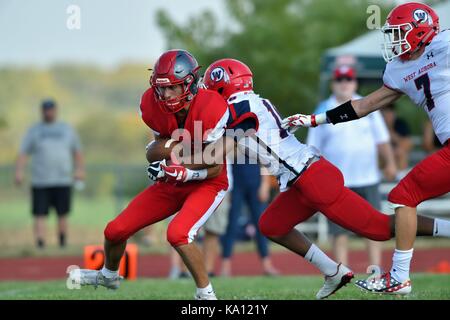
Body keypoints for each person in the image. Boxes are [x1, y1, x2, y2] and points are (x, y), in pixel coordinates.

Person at [173, 58, 450, 300]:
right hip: (301, 180)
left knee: (379, 228)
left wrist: (177, 162)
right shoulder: (249, 103)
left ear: (223, 85)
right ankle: (333, 271)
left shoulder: (240, 107)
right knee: (272, 224)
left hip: (313, 178)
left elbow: (219, 151)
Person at [281, 2, 450, 295]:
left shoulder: (445, 43)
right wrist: (315, 119)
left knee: (403, 196)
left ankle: (399, 276)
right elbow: (364, 105)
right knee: (405, 197)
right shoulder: (399, 69)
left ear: (421, 29)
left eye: (400, 32)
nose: (394, 40)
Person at [69, 50, 230, 300]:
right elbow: (154, 150)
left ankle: (206, 295)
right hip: (172, 180)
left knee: (178, 233)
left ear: (189, 83)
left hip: (207, 182)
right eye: (161, 88)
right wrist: (172, 157)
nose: (164, 95)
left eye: (172, 88)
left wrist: (180, 163)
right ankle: (108, 276)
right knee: (114, 231)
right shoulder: (151, 103)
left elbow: (214, 166)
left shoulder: (212, 106)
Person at [307, 65, 396, 268]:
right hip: (337, 182)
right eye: (340, 79)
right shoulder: (323, 110)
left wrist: (390, 163)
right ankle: (341, 272)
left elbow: (381, 140)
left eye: (348, 79)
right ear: (333, 84)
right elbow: (313, 148)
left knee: (374, 227)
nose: (344, 83)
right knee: (338, 231)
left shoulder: (368, 106)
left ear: (354, 82)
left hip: (367, 178)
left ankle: (375, 271)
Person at [15, 99, 85, 248]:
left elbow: (77, 152)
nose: (48, 112)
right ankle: (40, 243)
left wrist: (79, 170)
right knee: (39, 214)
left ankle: (62, 242)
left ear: (55, 111)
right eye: (46, 110)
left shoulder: (66, 129)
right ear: (42, 111)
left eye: (51, 109)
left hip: (63, 179)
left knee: (62, 213)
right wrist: (19, 172)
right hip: (41, 180)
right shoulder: (34, 130)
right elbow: (23, 153)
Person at [221, 163, 279, 277]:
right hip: (236, 181)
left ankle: (267, 265)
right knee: (231, 224)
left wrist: (265, 184)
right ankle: (225, 266)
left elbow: (264, 160)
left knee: (261, 224)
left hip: (255, 181)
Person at [381, 104, 413, 176]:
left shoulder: (401, 124)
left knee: (400, 152)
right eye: (385, 113)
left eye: (390, 113)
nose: (387, 116)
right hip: (382, 154)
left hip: (396, 153)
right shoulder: (377, 125)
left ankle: (399, 176)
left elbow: (408, 144)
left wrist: (390, 132)